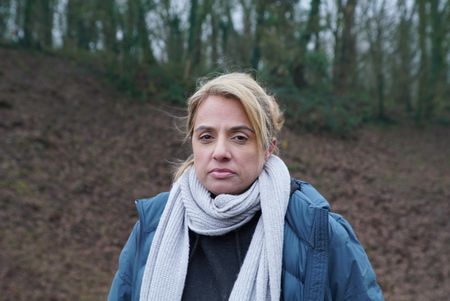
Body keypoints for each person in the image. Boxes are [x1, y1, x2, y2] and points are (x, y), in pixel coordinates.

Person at [108, 73, 384, 301]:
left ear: (268, 149)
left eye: (239, 137)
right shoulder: (153, 226)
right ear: (192, 143)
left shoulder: (318, 232)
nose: (220, 152)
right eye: (206, 136)